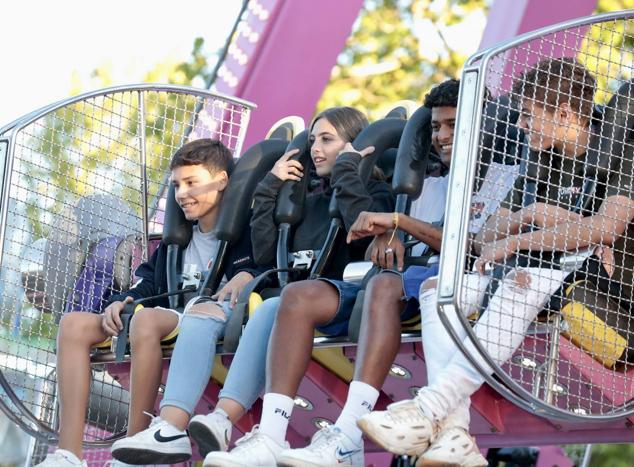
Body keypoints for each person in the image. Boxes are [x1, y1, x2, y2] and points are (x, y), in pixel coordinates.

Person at [357, 58, 634, 466]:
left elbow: (606, 228)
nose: (520, 125)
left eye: (528, 116)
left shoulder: (621, 155)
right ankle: (454, 433)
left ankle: (430, 408)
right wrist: (533, 215)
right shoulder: (542, 162)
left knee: (522, 276)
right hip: (552, 276)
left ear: (563, 113)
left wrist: (528, 233)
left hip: (614, 296)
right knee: (439, 289)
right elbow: (486, 237)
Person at [114, 106, 394, 465]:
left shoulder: (373, 191)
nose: (317, 149)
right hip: (288, 296)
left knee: (277, 304)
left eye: (328, 140)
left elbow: (364, 227)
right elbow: (265, 250)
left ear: (356, 145)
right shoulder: (304, 200)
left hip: (338, 295)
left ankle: (225, 417)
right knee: (203, 313)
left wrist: (348, 172)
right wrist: (269, 188)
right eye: (313, 142)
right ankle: (171, 429)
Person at [259, 79, 486, 467]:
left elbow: (472, 246)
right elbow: (369, 227)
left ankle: (348, 433)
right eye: (435, 127)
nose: (442, 136)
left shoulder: (497, 175)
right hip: (387, 278)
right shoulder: (420, 184)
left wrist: (396, 222)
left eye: (452, 125)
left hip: (442, 281)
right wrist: (387, 230)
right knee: (296, 297)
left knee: (383, 283)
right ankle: (268, 437)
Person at [37, 139, 261, 467]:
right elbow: (146, 284)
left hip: (212, 319)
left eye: (192, 183)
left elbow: (268, 265)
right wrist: (119, 301)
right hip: (172, 316)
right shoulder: (174, 243)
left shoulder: (249, 230)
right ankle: (68, 454)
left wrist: (249, 275)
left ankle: (133, 447)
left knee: (147, 320)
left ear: (223, 181)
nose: (182, 193)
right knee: (74, 324)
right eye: (177, 185)